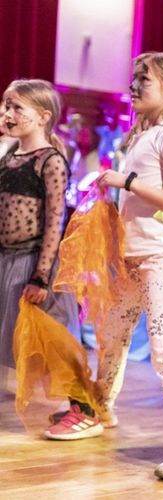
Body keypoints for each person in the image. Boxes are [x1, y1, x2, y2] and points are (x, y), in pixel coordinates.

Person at [45, 52, 163, 480]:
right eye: (134, 77)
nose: (133, 85)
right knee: (110, 337)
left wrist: (127, 182)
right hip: (130, 256)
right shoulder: (141, 135)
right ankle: (100, 408)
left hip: (160, 258)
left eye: (145, 79)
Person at [0, 80, 80, 392]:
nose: (8, 114)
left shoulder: (50, 160)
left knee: (46, 341)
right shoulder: (8, 155)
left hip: (31, 261)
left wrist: (41, 275)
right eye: (7, 106)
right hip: (5, 257)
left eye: (17, 108)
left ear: (43, 117)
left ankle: (79, 402)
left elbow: (55, 221)